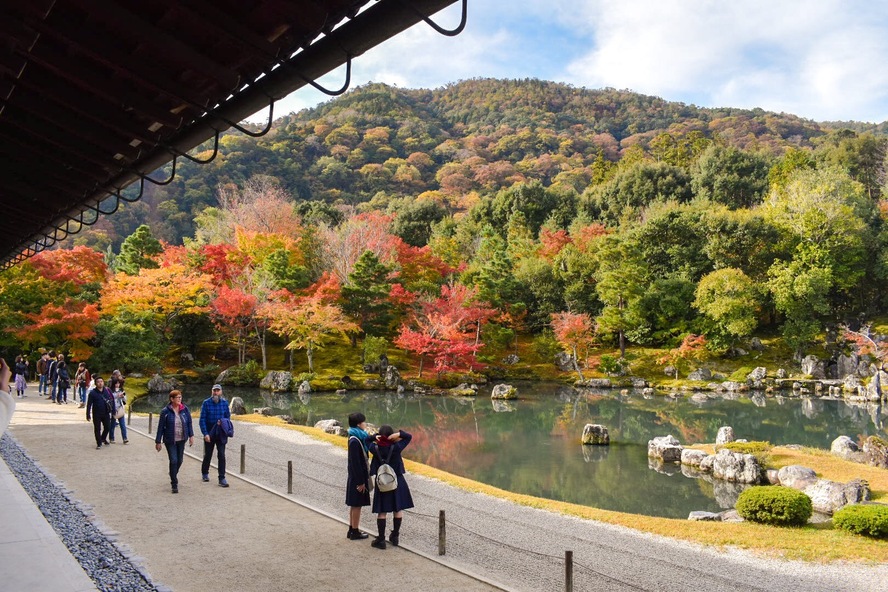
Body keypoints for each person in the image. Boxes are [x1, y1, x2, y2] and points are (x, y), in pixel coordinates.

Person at [368, 425, 414, 549]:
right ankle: (395, 536)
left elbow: (366, 440)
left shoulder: (374, 447)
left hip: (382, 481)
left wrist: (373, 437)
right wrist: (399, 434)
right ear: (390, 435)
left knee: (382, 511)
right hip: (397, 480)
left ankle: (381, 540)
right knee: (397, 508)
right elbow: (409, 437)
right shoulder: (396, 447)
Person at [155, 390, 194, 494]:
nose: (179, 399)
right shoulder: (165, 411)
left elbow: (189, 423)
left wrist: (191, 436)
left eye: (180, 397)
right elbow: (160, 427)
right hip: (170, 440)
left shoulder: (185, 409)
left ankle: (173, 473)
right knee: (173, 460)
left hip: (181, 439)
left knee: (180, 460)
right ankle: (174, 483)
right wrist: (158, 441)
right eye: (177, 397)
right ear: (172, 399)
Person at [345, 412, 372, 540]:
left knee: (354, 504)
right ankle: (355, 531)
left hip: (355, 477)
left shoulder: (355, 437)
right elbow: (355, 463)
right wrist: (361, 482)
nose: (365, 424)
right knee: (356, 505)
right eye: (363, 422)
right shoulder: (355, 441)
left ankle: (352, 529)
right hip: (357, 478)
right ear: (358, 424)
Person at [199, 384, 231, 488]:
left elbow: (228, 418)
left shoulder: (225, 403)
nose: (216, 392)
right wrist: (205, 433)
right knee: (208, 454)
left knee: (221, 455)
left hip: (221, 433)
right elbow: (202, 419)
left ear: (221, 392)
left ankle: (222, 478)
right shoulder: (206, 403)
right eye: (214, 390)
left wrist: (224, 425)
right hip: (210, 433)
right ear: (212, 391)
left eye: (218, 390)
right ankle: (205, 472)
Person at [85, 377, 114, 449]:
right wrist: (88, 414)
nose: (100, 383)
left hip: (106, 412)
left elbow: (111, 400)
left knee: (108, 427)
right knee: (97, 428)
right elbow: (89, 404)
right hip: (96, 413)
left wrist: (113, 410)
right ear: (95, 383)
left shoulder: (107, 391)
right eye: (98, 382)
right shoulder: (92, 393)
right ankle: (99, 442)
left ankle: (103, 438)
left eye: (101, 381)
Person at [108, 378, 128, 444]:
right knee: (112, 425)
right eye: (116, 383)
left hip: (120, 409)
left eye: (118, 383)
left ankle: (125, 438)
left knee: (123, 425)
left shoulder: (121, 390)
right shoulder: (110, 390)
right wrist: (117, 395)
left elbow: (125, 400)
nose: (117, 385)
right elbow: (110, 398)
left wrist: (122, 396)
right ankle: (111, 438)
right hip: (113, 409)